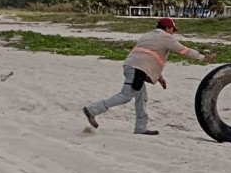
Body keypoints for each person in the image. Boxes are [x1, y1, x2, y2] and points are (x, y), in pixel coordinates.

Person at [82, 17, 215, 135]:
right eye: (173, 30)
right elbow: (184, 50)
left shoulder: (147, 35)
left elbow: (149, 57)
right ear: (167, 28)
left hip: (132, 66)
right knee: (126, 95)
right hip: (138, 69)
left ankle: (141, 127)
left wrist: (160, 77)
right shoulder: (166, 37)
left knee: (141, 97)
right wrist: (203, 57)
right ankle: (92, 110)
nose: (173, 33)